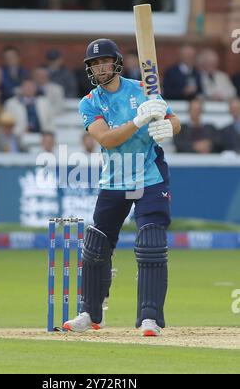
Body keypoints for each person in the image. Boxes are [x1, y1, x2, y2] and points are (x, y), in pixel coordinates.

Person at [63, 38, 181, 337]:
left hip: (149, 176)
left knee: (151, 242)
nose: (99, 68)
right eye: (93, 64)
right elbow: (106, 139)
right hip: (114, 180)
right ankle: (89, 313)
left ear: (115, 62)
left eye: (103, 61)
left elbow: (173, 120)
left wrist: (169, 127)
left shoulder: (142, 90)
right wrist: (139, 120)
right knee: (96, 247)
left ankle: (149, 318)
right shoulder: (89, 102)